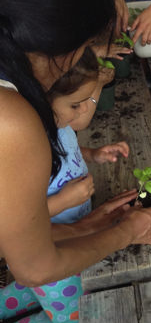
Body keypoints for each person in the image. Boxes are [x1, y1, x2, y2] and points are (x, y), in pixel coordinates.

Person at [0, 0, 151, 323]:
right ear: (59, 46)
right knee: (72, 320)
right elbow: (35, 269)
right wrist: (127, 231)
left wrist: (89, 225)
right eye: (86, 47)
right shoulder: (13, 119)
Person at [46, 47, 129, 224]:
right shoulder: (27, 144)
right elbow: (18, 219)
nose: (84, 109)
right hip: (58, 234)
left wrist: (92, 154)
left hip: (81, 214)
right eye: (75, 105)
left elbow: (64, 150)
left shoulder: (59, 125)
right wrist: (62, 201)